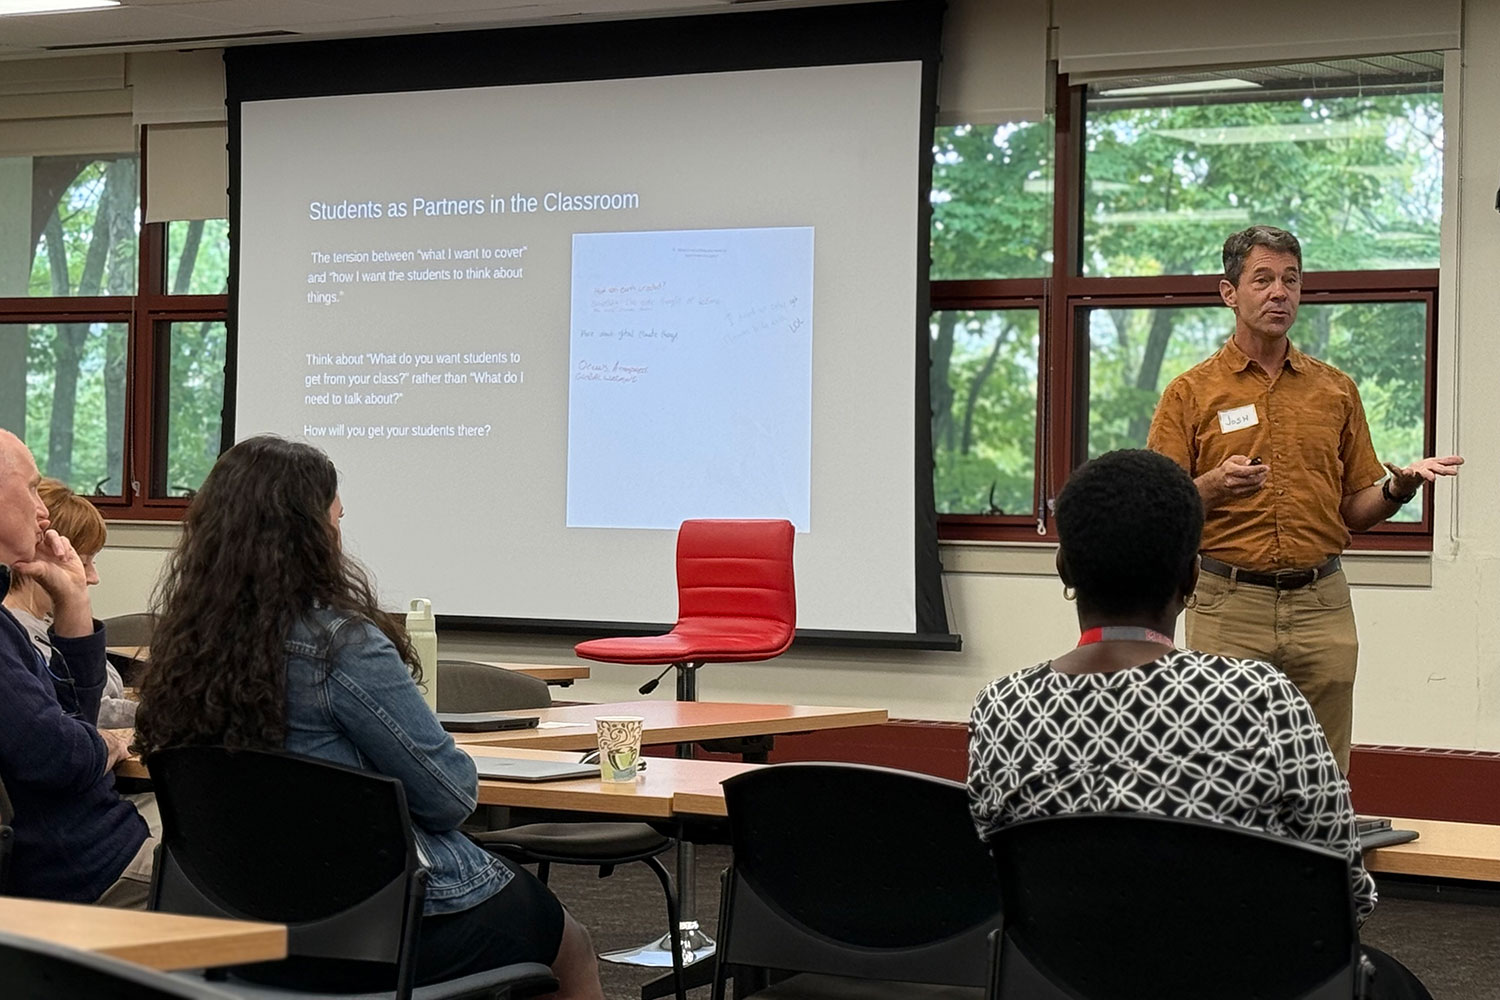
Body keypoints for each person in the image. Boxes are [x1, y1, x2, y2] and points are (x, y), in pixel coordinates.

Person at [132, 435, 604, 1000]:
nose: (339, 531)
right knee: (569, 940)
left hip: (233, 921)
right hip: (370, 927)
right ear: (311, 533)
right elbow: (451, 798)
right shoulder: (340, 646)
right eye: (336, 517)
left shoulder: (184, 649)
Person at [967, 449, 1428, 998]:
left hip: (1063, 976)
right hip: (1237, 978)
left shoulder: (1002, 707)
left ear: (1065, 568)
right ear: (1191, 574)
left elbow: (993, 877)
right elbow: (1346, 894)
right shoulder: (1261, 699)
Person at [1146, 225, 1462, 773]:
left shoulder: (1335, 389)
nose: (1279, 293)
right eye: (1263, 280)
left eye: (1291, 281)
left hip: (1322, 604)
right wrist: (1215, 485)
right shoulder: (1190, 392)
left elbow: (1355, 511)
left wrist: (1397, 487)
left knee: (1323, 770)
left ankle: (1325, 861)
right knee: (1223, 770)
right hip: (1228, 603)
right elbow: (1159, 510)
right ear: (1229, 293)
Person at [0, 430, 152, 906]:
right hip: (83, 871)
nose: (42, 510)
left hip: (93, 850)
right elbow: (58, 754)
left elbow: (74, 719)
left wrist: (72, 598)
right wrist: (106, 744)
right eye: (30, 489)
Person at [5, 478, 135, 728]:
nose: (93, 577)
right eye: (84, 562)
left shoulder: (44, 626)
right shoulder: (18, 635)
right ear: (44, 551)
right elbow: (88, 709)